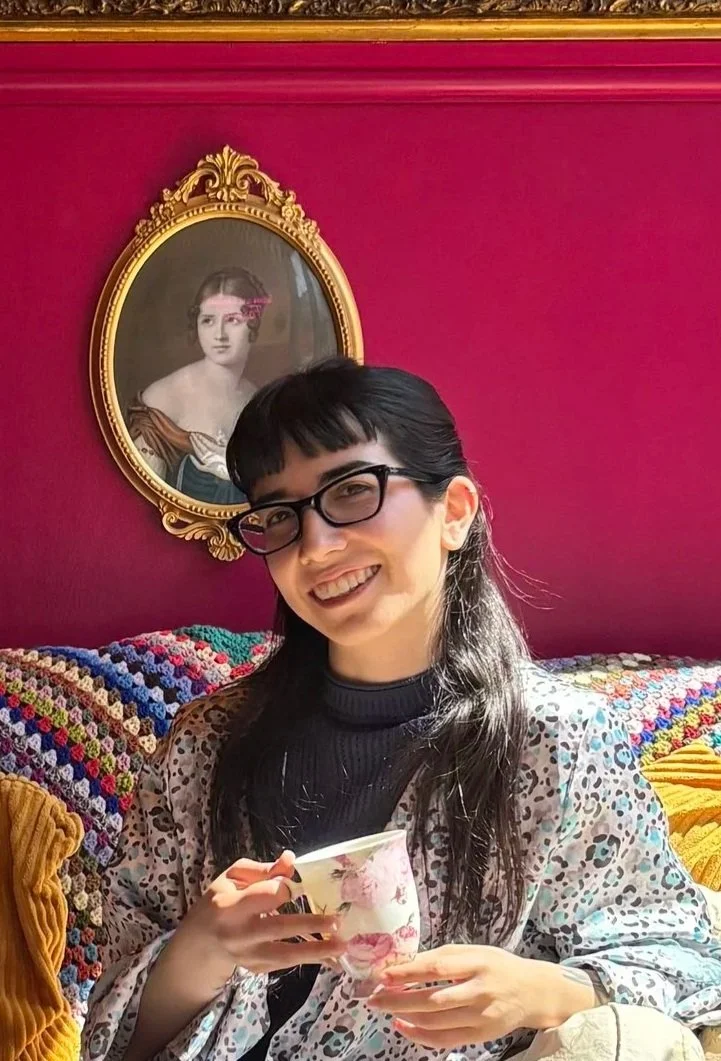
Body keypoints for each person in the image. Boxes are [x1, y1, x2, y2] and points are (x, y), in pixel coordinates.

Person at [83, 358, 721, 1061]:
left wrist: (542, 991)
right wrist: (202, 947)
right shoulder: (206, 746)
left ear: (451, 512)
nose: (316, 545)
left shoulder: (556, 741)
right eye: (279, 515)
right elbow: (110, 1036)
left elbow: (685, 956)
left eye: (352, 491)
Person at [126, 267, 270, 506]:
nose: (219, 334)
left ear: (252, 327)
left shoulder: (258, 402)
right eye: (208, 320)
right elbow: (141, 503)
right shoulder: (163, 399)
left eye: (232, 320)